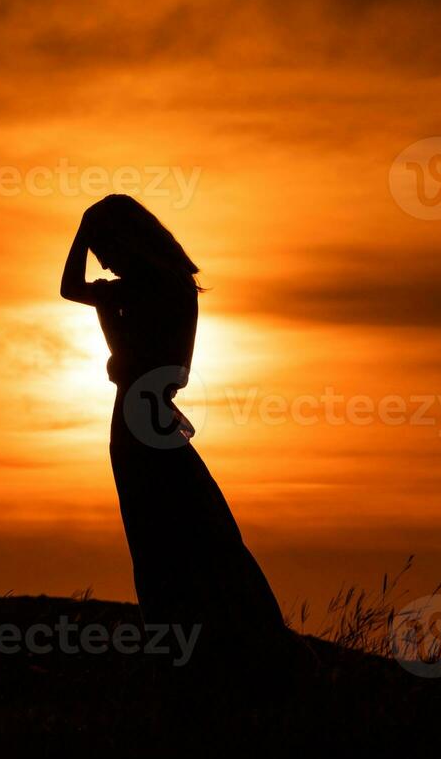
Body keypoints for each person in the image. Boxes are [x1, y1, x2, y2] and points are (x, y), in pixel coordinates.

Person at [60, 195, 290, 671]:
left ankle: (197, 642)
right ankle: (211, 639)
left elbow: (69, 287)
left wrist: (83, 230)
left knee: (164, 534)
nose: (102, 260)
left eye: (103, 246)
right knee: (195, 527)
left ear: (125, 240)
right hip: (151, 414)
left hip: (137, 417)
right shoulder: (174, 286)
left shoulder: (146, 288)